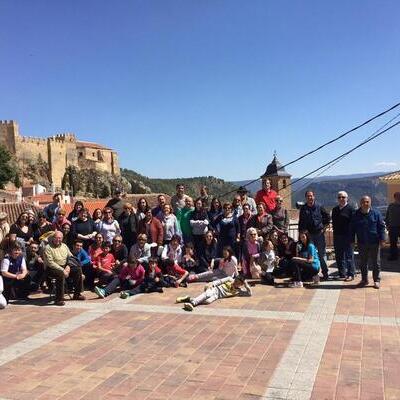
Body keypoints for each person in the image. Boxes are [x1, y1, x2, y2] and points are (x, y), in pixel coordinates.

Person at [350, 196, 386, 289]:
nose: (365, 204)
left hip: (374, 242)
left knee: (376, 263)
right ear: (360, 203)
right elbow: (352, 229)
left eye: (367, 202)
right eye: (363, 202)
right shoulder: (356, 215)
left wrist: (382, 239)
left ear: (370, 203)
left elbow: (381, 227)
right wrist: (352, 241)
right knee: (363, 263)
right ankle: (364, 280)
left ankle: (376, 280)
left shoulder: (376, 213)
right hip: (362, 243)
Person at [43, 231, 85, 305]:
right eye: (56, 238)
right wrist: (63, 270)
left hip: (65, 266)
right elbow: (50, 263)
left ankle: (77, 294)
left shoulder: (64, 246)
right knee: (60, 274)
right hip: (52, 268)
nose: (58, 240)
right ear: (53, 238)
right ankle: (58, 299)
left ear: (62, 239)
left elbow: (71, 257)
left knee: (77, 270)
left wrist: (68, 266)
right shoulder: (48, 248)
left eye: (60, 238)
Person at [298, 191, 331, 280]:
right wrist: (301, 234)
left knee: (322, 254)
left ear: (314, 196)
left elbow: (327, 217)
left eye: (311, 196)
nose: (310, 198)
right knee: (309, 254)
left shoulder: (319, 206)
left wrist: (323, 228)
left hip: (319, 234)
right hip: (309, 236)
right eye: (308, 196)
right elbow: (301, 222)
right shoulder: (303, 209)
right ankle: (311, 274)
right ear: (306, 198)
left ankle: (325, 273)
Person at [177, 275, 252, 311]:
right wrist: (211, 284)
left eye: (238, 283)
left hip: (217, 296)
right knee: (207, 294)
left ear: (241, 284)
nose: (235, 283)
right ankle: (192, 304)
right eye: (236, 280)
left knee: (207, 301)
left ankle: (188, 299)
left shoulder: (238, 291)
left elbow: (249, 294)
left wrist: (246, 284)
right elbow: (219, 281)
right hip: (215, 289)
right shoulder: (229, 279)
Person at [331, 191, 355, 280]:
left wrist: (352, 236)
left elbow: (353, 224)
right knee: (339, 255)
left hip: (348, 236)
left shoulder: (351, 209)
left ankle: (350, 274)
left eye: (343, 197)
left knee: (349, 256)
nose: (341, 199)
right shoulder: (335, 209)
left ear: (347, 198)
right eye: (339, 197)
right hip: (337, 236)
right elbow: (333, 222)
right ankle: (342, 274)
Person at [386, 192, 400, 261]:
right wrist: (387, 225)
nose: (398, 197)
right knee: (393, 243)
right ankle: (394, 256)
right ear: (395, 197)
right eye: (397, 196)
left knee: (393, 243)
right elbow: (387, 216)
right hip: (392, 227)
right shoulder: (390, 206)